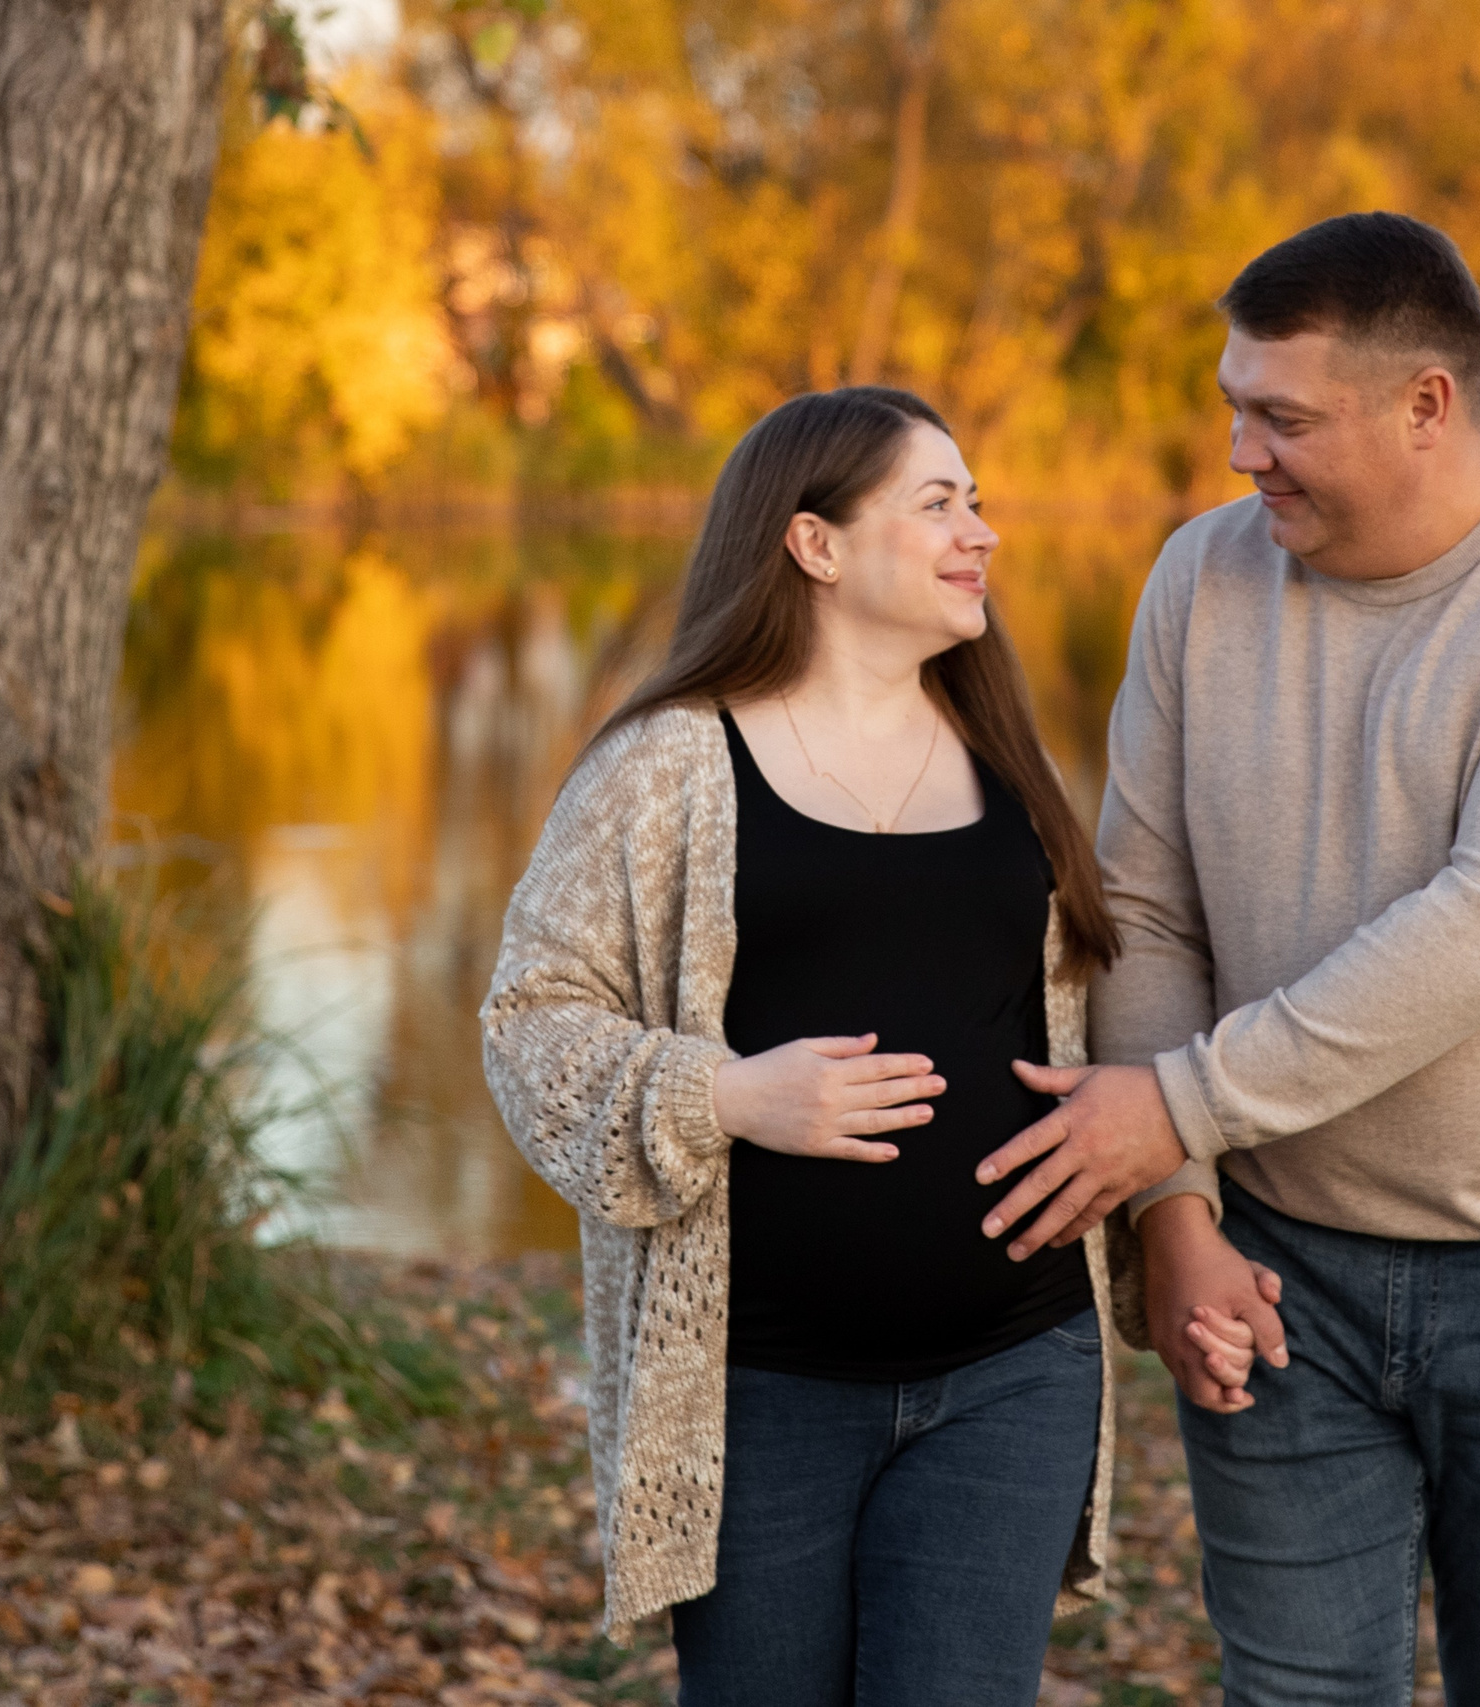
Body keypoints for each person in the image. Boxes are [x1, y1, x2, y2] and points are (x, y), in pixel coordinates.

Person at [975, 213, 1480, 1703]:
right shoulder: (1204, 578)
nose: (1242, 452)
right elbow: (1148, 903)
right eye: (1234, 406)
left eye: (1283, 417)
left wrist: (1173, 1110)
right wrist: (1179, 1213)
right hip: (1279, 1264)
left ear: (1425, 406)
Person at [480, 386, 1130, 1707]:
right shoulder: (668, 766)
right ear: (815, 544)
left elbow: (1094, 1006)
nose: (981, 533)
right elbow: (529, 1019)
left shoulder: (1008, 755)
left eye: (979, 501)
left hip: (1019, 1363)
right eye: (938, 504)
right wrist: (725, 1094)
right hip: (757, 1392)